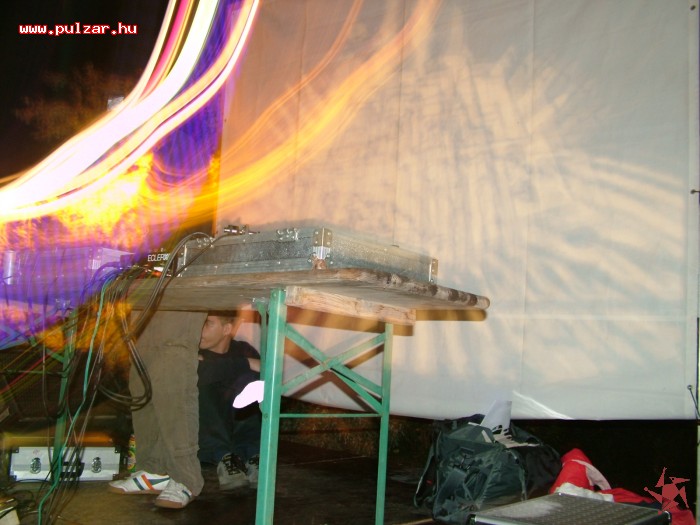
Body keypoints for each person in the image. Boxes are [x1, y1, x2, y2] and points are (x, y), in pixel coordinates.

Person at [108, 310, 207, 509]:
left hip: (182, 294)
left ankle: (185, 477)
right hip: (149, 292)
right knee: (141, 374)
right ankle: (154, 470)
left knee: (173, 370)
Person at [196, 313, 262, 491]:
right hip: (205, 433)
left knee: (250, 384)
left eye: (207, 323)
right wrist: (245, 363)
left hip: (236, 424)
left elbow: (267, 371)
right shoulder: (192, 350)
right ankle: (224, 457)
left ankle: (252, 456)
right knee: (203, 386)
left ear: (226, 329)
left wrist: (217, 367)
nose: (199, 329)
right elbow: (199, 373)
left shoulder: (242, 349)